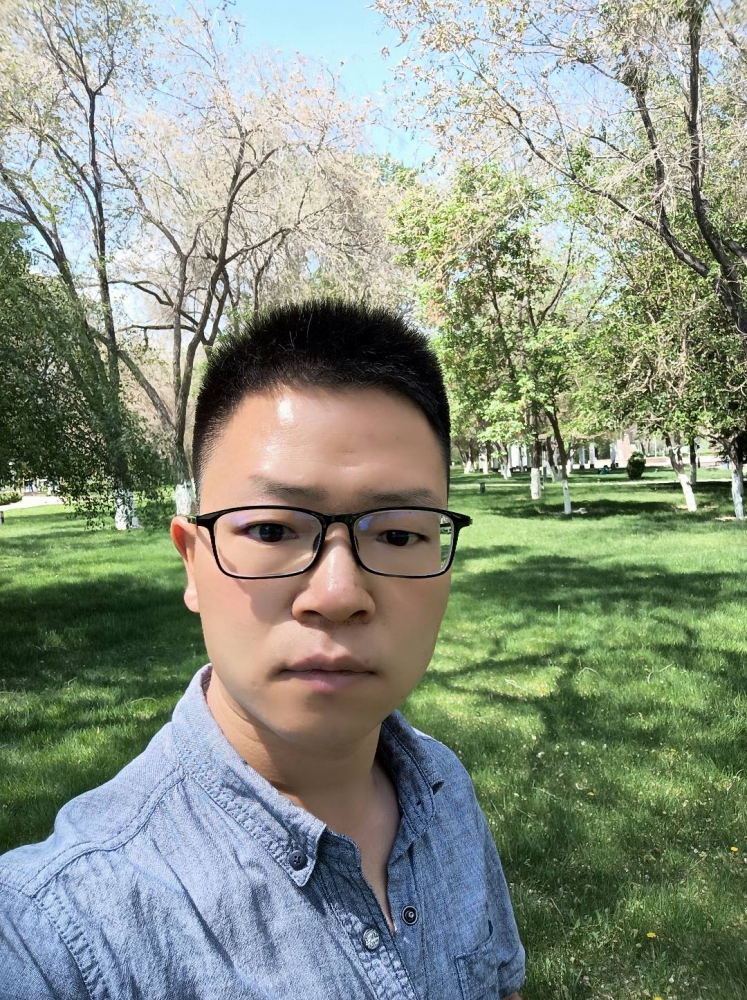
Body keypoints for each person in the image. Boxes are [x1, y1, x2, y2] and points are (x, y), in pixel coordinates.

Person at [0, 300, 525, 999]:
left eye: (399, 534)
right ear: (193, 562)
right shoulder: (59, 929)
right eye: (272, 530)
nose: (337, 594)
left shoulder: (442, 785)